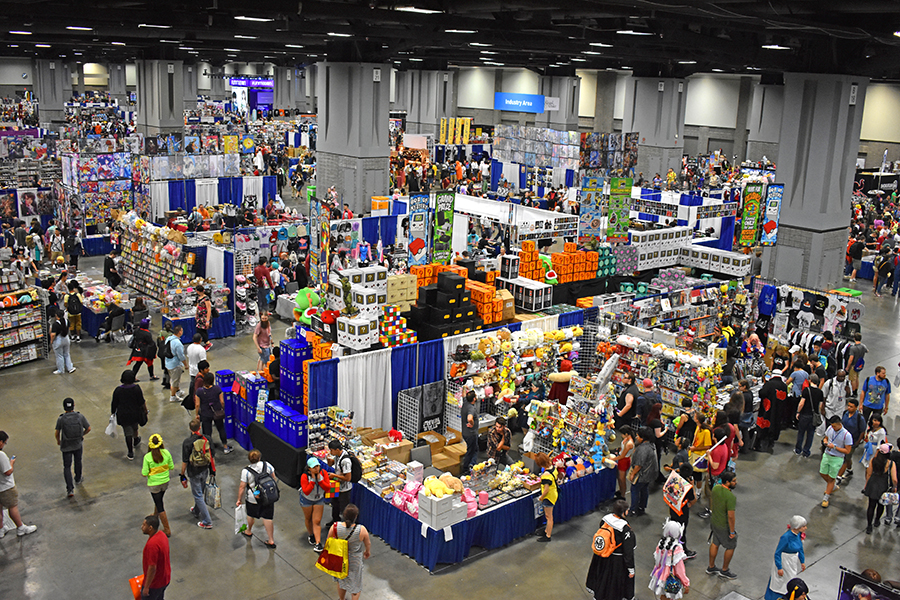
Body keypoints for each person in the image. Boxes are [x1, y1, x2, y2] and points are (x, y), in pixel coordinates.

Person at [585, 499, 636, 600]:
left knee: (603, 580)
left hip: (603, 557)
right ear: (624, 512)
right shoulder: (624, 528)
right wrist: (630, 569)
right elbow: (628, 551)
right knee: (614, 585)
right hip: (617, 562)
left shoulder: (605, 519)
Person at [324, 502, 370, 600]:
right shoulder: (361, 530)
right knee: (356, 586)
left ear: (344, 515)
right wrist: (367, 552)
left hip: (339, 559)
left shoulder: (335, 527)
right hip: (355, 561)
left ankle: (341, 599)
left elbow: (328, 542)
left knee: (341, 582)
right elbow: (368, 544)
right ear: (356, 516)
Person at [236, 449, 278, 549]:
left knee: (251, 515)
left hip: (253, 498)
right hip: (267, 497)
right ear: (259, 458)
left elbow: (242, 487)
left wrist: (239, 499)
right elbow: (274, 478)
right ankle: (271, 540)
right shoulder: (266, 465)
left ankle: (248, 531)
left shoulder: (246, 471)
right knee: (268, 517)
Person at [0, 431, 37, 538]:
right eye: (4, 443)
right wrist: (11, 463)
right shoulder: (1, 455)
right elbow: (7, 472)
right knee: (13, 507)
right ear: (0, 442)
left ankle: (1, 529)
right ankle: (21, 527)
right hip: (5, 487)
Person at [180, 419, 215, 530]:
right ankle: (196, 510)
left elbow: (185, 461)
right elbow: (211, 457)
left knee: (198, 495)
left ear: (190, 429)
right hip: (205, 470)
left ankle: (207, 521)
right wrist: (212, 471)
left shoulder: (187, 442)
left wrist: (182, 474)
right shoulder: (207, 439)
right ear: (200, 427)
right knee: (200, 490)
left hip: (193, 472)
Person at [764, 516, 808, 600]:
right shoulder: (786, 537)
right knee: (779, 583)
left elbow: (800, 549)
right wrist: (779, 567)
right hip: (784, 561)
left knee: (791, 580)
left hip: (792, 561)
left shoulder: (798, 535)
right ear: (797, 527)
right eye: (803, 526)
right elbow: (777, 553)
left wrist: (802, 561)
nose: (805, 528)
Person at [55, 397, 90, 499]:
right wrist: (81, 435)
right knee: (78, 461)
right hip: (77, 444)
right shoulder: (79, 416)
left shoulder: (61, 419)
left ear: (64, 407)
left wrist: (58, 441)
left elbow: (57, 432)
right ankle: (78, 478)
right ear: (74, 406)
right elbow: (88, 428)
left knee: (67, 466)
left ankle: (70, 489)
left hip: (66, 446)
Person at [141, 434, 174, 537]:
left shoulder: (147, 457)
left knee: (160, 506)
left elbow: (144, 473)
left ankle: (167, 529)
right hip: (165, 482)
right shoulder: (166, 453)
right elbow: (171, 466)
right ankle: (155, 515)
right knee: (159, 499)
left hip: (154, 485)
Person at [707, 471, 738, 580]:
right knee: (731, 545)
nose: (736, 482)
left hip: (714, 521)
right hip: (723, 525)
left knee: (715, 543)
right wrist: (732, 531)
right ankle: (724, 570)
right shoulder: (730, 497)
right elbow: (730, 516)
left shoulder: (715, 489)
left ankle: (711, 567)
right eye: (734, 481)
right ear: (727, 482)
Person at [648, 519, 690, 599]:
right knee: (670, 596)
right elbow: (679, 570)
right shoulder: (677, 548)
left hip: (660, 575)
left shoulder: (661, 543)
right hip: (670, 577)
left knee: (663, 595)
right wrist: (686, 583)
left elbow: (657, 559)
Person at [194, 372, 233, 454]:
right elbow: (222, 402)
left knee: (207, 432)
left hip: (205, 414)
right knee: (221, 428)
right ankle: (225, 447)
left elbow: (197, 404)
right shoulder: (217, 389)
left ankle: (208, 449)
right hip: (217, 413)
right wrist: (221, 409)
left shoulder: (199, 391)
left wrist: (197, 414)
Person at [820, 415, 853, 508]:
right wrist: (825, 442)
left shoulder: (847, 435)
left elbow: (847, 451)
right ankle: (832, 487)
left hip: (837, 458)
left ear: (839, 424)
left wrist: (834, 447)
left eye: (834, 426)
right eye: (832, 426)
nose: (833, 428)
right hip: (827, 454)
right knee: (822, 473)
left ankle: (826, 497)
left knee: (831, 478)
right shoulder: (830, 429)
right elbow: (825, 437)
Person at [301, 456, 331, 552]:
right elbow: (306, 491)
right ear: (309, 468)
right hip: (307, 500)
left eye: (317, 466)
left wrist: (320, 480)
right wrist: (313, 481)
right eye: (314, 467)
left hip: (319, 499)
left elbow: (327, 488)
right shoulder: (304, 476)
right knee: (308, 518)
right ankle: (311, 534)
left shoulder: (323, 473)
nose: (316, 468)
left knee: (317, 521)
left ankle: (318, 543)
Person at [863, 445, 895, 533]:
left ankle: (869, 526)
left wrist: (866, 485)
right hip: (883, 486)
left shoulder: (873, 460)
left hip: (873, 484)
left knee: (871, 506)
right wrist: (894, 487)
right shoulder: (890, 463)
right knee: (881, 505)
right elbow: (894, 479)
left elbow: (868, 474)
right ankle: (877, 520)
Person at [836, 398, 867, 486]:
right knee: (847, 458)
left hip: (852, 442)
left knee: (846, 458)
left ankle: (839, 477)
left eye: (851, 407)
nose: (849, 408)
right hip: (843, 440)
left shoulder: (859, 418)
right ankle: (849, 470)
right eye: (848, 406)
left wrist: (857, 442)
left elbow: (862, 431)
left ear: (856, 408)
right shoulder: (845, 413)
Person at [628, 427, 659, 517]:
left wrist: (633, 474)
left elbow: (639, 464)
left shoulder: (643, 449)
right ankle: (642, 506)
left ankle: (633, 510)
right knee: (644, 489)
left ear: (643, 438)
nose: (636, 437)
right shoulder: (651, 445)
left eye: (638, 436)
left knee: (635, 490)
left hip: (642, 474)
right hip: (650, 474)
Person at [756, 369, 788, 453]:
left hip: (768, 409)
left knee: (765, 426)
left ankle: (762, 444)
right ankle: (771, 442)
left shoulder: (769, 384)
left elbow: (762, 393)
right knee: (775, 426)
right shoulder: (784, 386)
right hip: (779, 411)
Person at [140, 514, 171, 600]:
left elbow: (152, 567)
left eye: (144, 525)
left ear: (150, 528)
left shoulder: (152, 545)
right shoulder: (162, 535)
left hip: (155, 584)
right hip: (165, 578)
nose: (142, 527)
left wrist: (146, 587)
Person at [326, 440, 354, 531]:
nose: (331, 452)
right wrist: (328, 459)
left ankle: (347, 527)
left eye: (331, 450)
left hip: (344, 490)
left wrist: (334, 476)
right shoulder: (337, 456)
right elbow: (331, 464)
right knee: (335, 505)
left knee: (345, 509)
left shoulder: (345, 461)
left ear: (337, 449)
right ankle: (335, 521)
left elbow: (348, 478)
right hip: (337, 486)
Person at [795, 373, 823, 457]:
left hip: (805, 415)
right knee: (810, 434)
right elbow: (821, 406)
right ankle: (806, 451)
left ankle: (798, 449)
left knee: (801, 433)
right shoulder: (820, 392)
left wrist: (798, 412)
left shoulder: (806, 390)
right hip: (813, 416)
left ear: (810, 380)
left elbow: (801, 403)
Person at [535, 452, 557, 542]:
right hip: (554, 493)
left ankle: (548, 535)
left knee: (549, 517)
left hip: (548, 497)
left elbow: (546, 489)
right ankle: (546, 530)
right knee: (549, 516)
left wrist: (541, 497)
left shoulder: (545, 476)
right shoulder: (553, 468)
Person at [163, 326, 188, 403]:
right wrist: (186, 365)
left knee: (176, 379)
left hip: (168, 363)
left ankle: (177, 391)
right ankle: (173, 396)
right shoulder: (178, 343)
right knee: (174, 381)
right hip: (175, 364)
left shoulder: (168, 338)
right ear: (180, 332)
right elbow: (181, 356)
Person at [49, 309, 75, 375]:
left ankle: (61, 369)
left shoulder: (55, 324)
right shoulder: (67, 321)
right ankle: (70, 368)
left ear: (57, 316)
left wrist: (51, 342)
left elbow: (53, 335)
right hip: (66, 339)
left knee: (59, 355)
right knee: (67, 354)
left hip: (58, 340)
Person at [613, 425, 635, 500]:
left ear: (626, 434)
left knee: (622, 479)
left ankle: (623, 495)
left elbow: (622, 456)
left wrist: (613, 459)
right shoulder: (626, 439)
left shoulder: (629, 444)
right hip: (622, 459)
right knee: (619, 478)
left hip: (624, 461)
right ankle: (620, 490)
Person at [460, 390, 479, 475]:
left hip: (465, 432)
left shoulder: (465, 402)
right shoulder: (471, 408)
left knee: (474, 448)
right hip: (471, 433)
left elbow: (463, 394)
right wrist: (472, 423)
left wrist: (465, 387)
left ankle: (471, 464)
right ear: (474, 399)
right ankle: (467, 467)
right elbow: (470, 418)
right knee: (471, 450)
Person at [194, 285, 213, 350]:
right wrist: (196, 314)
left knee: (201, 330)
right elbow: (197, 306)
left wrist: (207, 320)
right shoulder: (199, 297)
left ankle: (207, 343)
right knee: (200, 330)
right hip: (200, 316)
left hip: (204, 317)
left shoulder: (206, 299)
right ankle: (206, 342)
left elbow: (209, 309)